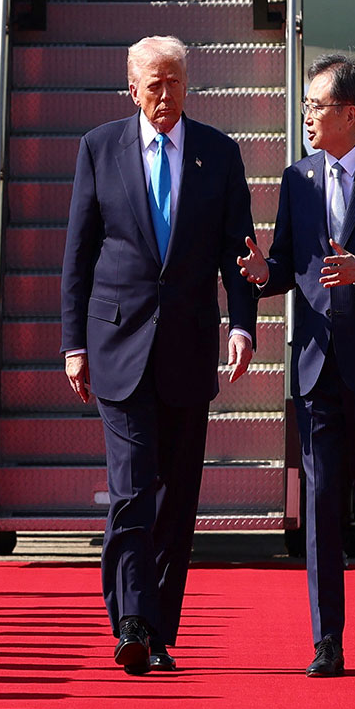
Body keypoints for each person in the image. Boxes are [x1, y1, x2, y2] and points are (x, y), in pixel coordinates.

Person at [60, 36, 257, 675]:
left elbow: (238, 252)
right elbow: (78, 253)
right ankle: (131, 621)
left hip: (189, 348)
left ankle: (160, 630)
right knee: (130, 489)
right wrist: (73, 344)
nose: (165, 94)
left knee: (176, 499)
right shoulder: (100, 148)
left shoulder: (219, 154)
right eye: (154, 84)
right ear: (132, 89)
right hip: (117, 345)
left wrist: (243, 327)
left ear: (187, 84)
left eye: (174, 81)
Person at [240, 53, 355, 677]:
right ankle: (327, 639)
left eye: (316, 105)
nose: (307, 116)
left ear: (349, 112)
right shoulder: (297, 179)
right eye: (306, 105)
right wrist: (263, 273)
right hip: (316, 367)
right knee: (319, 504)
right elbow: (289, 262)